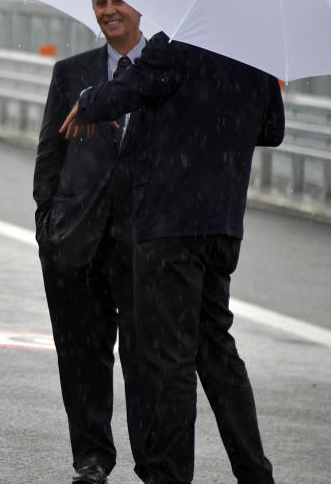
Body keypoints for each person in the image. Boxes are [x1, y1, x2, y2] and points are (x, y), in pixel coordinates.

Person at [60, 29, 284, 484]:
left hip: (168, 226)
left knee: (168, 361)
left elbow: (122, 92)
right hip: (222, 224)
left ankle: (169, 477)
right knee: (218, 352)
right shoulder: (253, 52)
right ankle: (255, 474)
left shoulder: (176, 44)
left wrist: (88, 98)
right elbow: (272, 130)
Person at [33, 0, 149, 484]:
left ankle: (154, 462)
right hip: (75, 240)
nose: (108, 12)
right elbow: (49, 157)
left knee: (147, 359)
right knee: (82, 356)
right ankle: (92, 458)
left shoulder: (164, 71)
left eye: (118, 1)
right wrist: (48, 229)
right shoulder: (72, 73)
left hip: (146, 241)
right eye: (100, 3)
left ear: (142, 6)